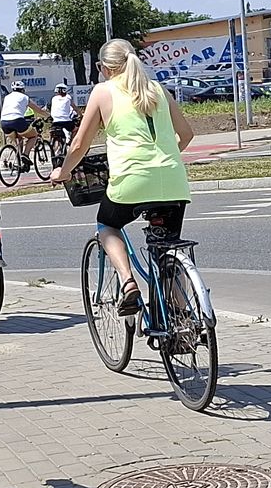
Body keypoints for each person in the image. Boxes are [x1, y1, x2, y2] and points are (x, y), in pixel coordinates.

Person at [53, 38, 193, 315]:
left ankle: (128, 283)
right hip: (174, 180)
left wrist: (63, 171)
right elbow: (187, 135)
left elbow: (79, 144)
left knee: (107, 224)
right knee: (167, 248)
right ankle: (181, 319)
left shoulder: (103, 91)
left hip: (131, 181)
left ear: (104, 68)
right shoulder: (158, 89)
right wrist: (162, 159)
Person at [0, 80, 37, 165]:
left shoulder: (7, 97)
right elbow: (37, 109)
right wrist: (48, 115)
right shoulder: (24, 97)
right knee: (33, 136)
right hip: (17, 120)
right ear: (23, 89)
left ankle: (19, 162)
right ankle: (25, 155)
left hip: (4, 123)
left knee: (18, 139)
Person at [48, 81, 79, 151]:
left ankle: (53, 145)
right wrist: (80, 114)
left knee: (53, 131)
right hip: (66, 121)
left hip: (55, 121)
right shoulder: (68, 98)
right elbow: (75, 108)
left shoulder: (53, 98)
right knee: (76, 129)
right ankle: (71, 142)